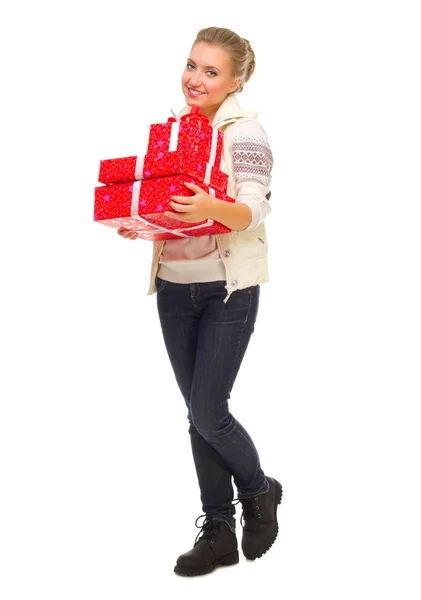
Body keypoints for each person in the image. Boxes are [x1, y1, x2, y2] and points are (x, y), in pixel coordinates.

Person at [118, 26, 283, 577]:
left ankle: (260, 492)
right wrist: (139, 218)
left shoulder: (247, 133)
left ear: (236, 79)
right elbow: (167, 203)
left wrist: (210, 204)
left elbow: (252, 210)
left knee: (210, 412)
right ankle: (218, 531)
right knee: (197, 415)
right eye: (192, 65)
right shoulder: (175, 131)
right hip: (173, 286)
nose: (195, 78)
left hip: (226, 290)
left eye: (211, 71)